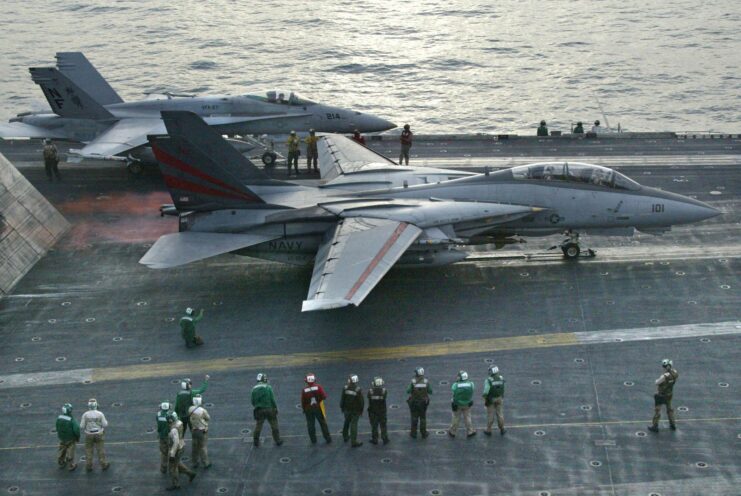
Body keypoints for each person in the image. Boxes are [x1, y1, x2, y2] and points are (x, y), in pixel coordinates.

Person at [166, 412, 196, 490]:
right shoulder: (179, 423)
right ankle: (190, 473)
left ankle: (176, 484)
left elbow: (176, 442)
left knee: (172, 468)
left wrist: (172, 454)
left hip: (176, 449)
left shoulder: (173, 430)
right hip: (182, 445)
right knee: (177, 463)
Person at [251, 372, 283, 447]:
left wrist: (257, 406)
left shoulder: (254, 389)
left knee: (258, 425)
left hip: (259, 410)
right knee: (274, 424)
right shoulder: (268, 387)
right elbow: (272, 399)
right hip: (269, 409)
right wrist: (275, 407)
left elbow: (253, 401)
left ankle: (256, 441)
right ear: (264, 379)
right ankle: (277, 440)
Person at [648, 359, 679, 433]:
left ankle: (655, 426)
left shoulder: (664, 376)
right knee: (670, 410)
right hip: (669, 394)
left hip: (661, 395)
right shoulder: (675, 373)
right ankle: (672, 424)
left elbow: (657, 382)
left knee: (657, 411)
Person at [80, 398, 109, 472]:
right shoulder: (100, 414)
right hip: (99, 433)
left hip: (89, 434)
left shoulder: (85, 414)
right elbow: (105, 424)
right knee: (100, 449)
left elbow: (82, 426)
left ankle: (89, 466)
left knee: (89, 450)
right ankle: (103, 464)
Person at [301, 373, 332, 444]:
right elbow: (324, 397)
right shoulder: (318, 387)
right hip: (318, 408)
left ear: (306, 381)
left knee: (310, 424)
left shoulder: (304, 390)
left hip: (308, 409)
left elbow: (303, 401)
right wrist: (319, 400)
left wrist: (304, 409)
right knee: (323, 423)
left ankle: (313, 440)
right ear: (314, 379)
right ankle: (328, 438)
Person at [406, 367, 432, 438]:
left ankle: (413, 433)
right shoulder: (426, 381)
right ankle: (423, 433)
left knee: (414, 418)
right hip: (423, 403)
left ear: (417, 373)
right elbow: (430, 391)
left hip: (414, 403)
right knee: (423, 418)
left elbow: (408, 391)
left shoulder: (413, 381)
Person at [448, 371, 476, 438]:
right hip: (467, 404)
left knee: (456, 418)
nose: (457, 377)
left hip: (457, 404)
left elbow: (453, 391)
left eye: (459, 376)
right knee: (468, 418)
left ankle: (452, 431)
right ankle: (470, 431)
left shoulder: (455, 385)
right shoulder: (471, 384)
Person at [340, 374, 364, 447]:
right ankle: (354, 441)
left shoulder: (345, 388)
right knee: (354, 425)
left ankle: (345, 436)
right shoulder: (358, 389)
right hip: (355, 411)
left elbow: (342, 400)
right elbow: (361, 402)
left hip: (346, 410)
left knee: (346, 422)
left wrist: (342, 408)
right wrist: (361, 410)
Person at [188, 394, 211, 469]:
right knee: (202, 447)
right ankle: (205, 463)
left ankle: (194, 462)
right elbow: (208, 418)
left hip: (194, 430)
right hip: (202, 431)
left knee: (194, 447)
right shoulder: (202, 410)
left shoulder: (190, 409)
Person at [482, 366, 506, 436]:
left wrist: (484, 399)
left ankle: (489, 430)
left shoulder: (488, 380)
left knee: (490, 415)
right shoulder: (501, 378)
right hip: (499, 398)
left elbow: (486, 392)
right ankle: (502, 429)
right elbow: (503, 388)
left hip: (491, 399)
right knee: (500, 414)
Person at [56, 403, 80, 471]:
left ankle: (60, 461)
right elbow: (76, 429)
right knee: (70, 450)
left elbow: (57, 427)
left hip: (62, 437)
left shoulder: (59, 418)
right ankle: (71, 465)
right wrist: (77, 437)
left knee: (62, 448)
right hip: (70, 438)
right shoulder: (71, 419)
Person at [367, 376, 389, 445]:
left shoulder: (370, 391)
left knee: (374, 426)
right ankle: (385, 438)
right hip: (382, 411)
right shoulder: (384, 391)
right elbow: (385, 396)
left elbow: (368, 397)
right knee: (383, 425)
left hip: (373, 412)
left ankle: (375, 439)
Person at [157, 402, 172, 473]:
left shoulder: (158, 414)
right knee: (172, 451)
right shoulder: (171, 414)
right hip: (169, 435)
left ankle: (163, 468)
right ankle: (172, 467)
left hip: (161, 436)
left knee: (163, 453)